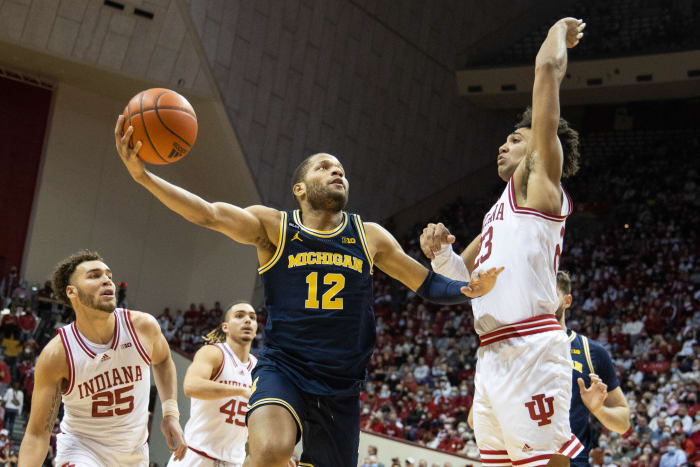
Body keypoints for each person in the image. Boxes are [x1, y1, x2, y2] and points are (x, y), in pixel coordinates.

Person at [115, 122, 502, 467]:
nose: (337, 172)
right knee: (269, 449)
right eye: (325, 167)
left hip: (342, 385)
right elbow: (209, 214)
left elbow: (429, 285)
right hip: (286, 368)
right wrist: (144, 177)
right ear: (299, 189)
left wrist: (469, 289)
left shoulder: (369, 236)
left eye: (342, 170)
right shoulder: (274, 226)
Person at [421, 17, 586, 467]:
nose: (503, 146)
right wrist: (439, 250)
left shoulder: (538, 184)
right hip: (491, 352)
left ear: (537, 148)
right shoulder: (497, 213)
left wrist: (557, 31)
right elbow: (458, 277)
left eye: (514, 139)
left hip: (531, 344)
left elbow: (547, 72)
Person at [18, 250, 186, 466]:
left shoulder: (143, 327)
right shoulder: (57, 354)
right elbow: (37, 434)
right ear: (72, 292)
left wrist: (170, 413)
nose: (107, 281)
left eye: (108, 275)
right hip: (82, 450)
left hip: (134, 453)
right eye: (94, 276)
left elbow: (162, 361)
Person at [554, 271, 630, 465]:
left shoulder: (591, 351)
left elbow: (622, 423)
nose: (543, 301)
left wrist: (597, 409)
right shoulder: (515, 348)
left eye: (551, 294)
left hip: (573, 461)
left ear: (567, 301)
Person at [169, 301, 258, 466]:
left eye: (252, 318)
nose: (247, 320)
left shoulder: (258, 367)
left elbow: (260, 419)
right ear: (225, 327)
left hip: (233, 461)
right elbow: (191, 386)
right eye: (239, 316)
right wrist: (240, 391)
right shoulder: (213, 353)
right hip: (197, 455)